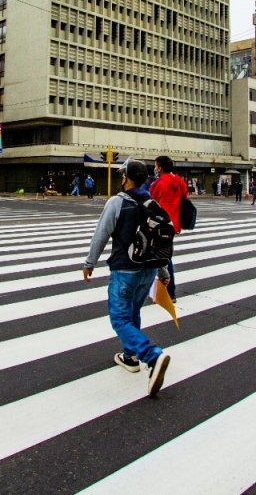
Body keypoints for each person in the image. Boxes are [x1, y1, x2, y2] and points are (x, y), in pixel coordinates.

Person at [82, 159, 172, 397]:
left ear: (125, 178)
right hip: (148, 271)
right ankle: (129, 356)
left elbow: (102, 233)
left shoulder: (118, 202)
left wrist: (89, 263)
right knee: (133, 312)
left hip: (125, 269)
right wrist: (163, 272)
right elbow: (159, 241)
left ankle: (151, 356)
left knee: (120, 319)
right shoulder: (152, 202)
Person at [149, 155, 188, 303]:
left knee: (160, 258)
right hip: (173, 225)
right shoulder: (179, 182)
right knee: (165, 256)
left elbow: (151, 202)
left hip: (159, 224)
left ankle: (168, 293)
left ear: (159, 167)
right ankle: (166, 292)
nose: (155, 168)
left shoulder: (159, 183)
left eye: (155, 165)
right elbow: (185, 198)